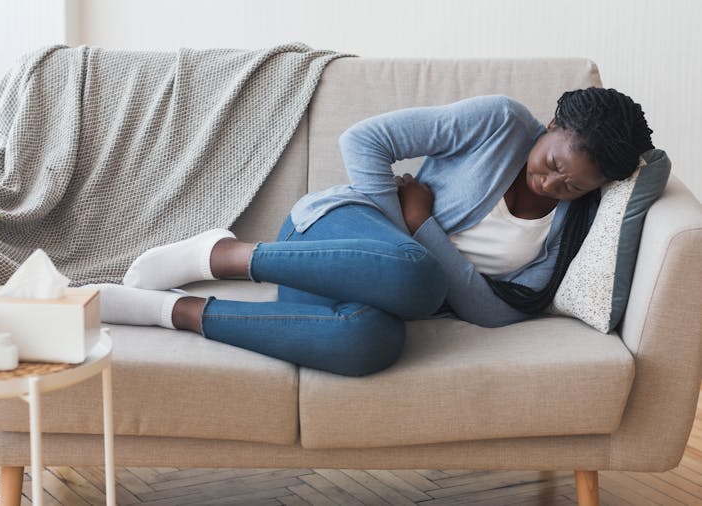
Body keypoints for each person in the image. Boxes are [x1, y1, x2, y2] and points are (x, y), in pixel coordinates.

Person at [86, 87, 654, 377]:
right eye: (554, 163)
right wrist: (396, 230)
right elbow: (364, 140)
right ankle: (223, 254)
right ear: (552, 125)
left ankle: (169, 311)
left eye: (573, 186)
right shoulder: (501, 122)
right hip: (333, 233)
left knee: (370, 343)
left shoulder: (572, 226)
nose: (553, 184)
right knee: (418, 280)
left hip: (387, 288)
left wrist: (420, 223)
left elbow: (495, 312)